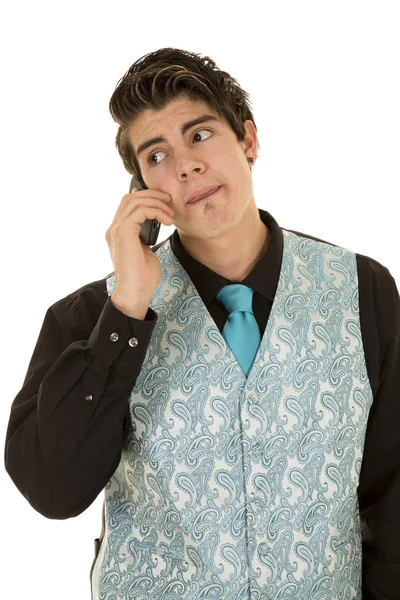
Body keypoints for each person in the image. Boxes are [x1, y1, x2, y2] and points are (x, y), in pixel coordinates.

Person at [4, 47, 400, 600]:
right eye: (157, 155)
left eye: (199, 135)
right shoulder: (92, 316)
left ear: (248, 140)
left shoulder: (363, 291)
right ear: (141, 188)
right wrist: (128, 309)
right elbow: (52, 490)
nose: (185, 164)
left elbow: (391, 495)